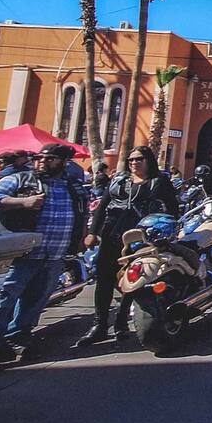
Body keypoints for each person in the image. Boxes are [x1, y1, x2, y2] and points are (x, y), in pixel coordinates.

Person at [0, 144, 90, 363]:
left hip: (54, 255)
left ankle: (19, 337)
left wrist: (82, 237)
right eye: (39, 158)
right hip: (21, 254)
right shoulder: (20, 180)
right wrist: (22, 202)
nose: (42, 162)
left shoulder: (74, 187)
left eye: (49, 158)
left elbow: (83, 212)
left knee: (35, 301)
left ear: (62, 162)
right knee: (4, 300)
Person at [76, 145, 179, 345]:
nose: (135, 163)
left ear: (148, 160)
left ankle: (121, 322)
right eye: (131, 159)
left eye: (139, 159)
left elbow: (173, 209)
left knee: (133, 281)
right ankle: (100, 325)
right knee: (104, 279)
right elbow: (102, 206)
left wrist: (168, 229)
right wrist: (92, 233)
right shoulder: (119, 180)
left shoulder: (159, 182)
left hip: (140, 238)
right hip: (112, 235)